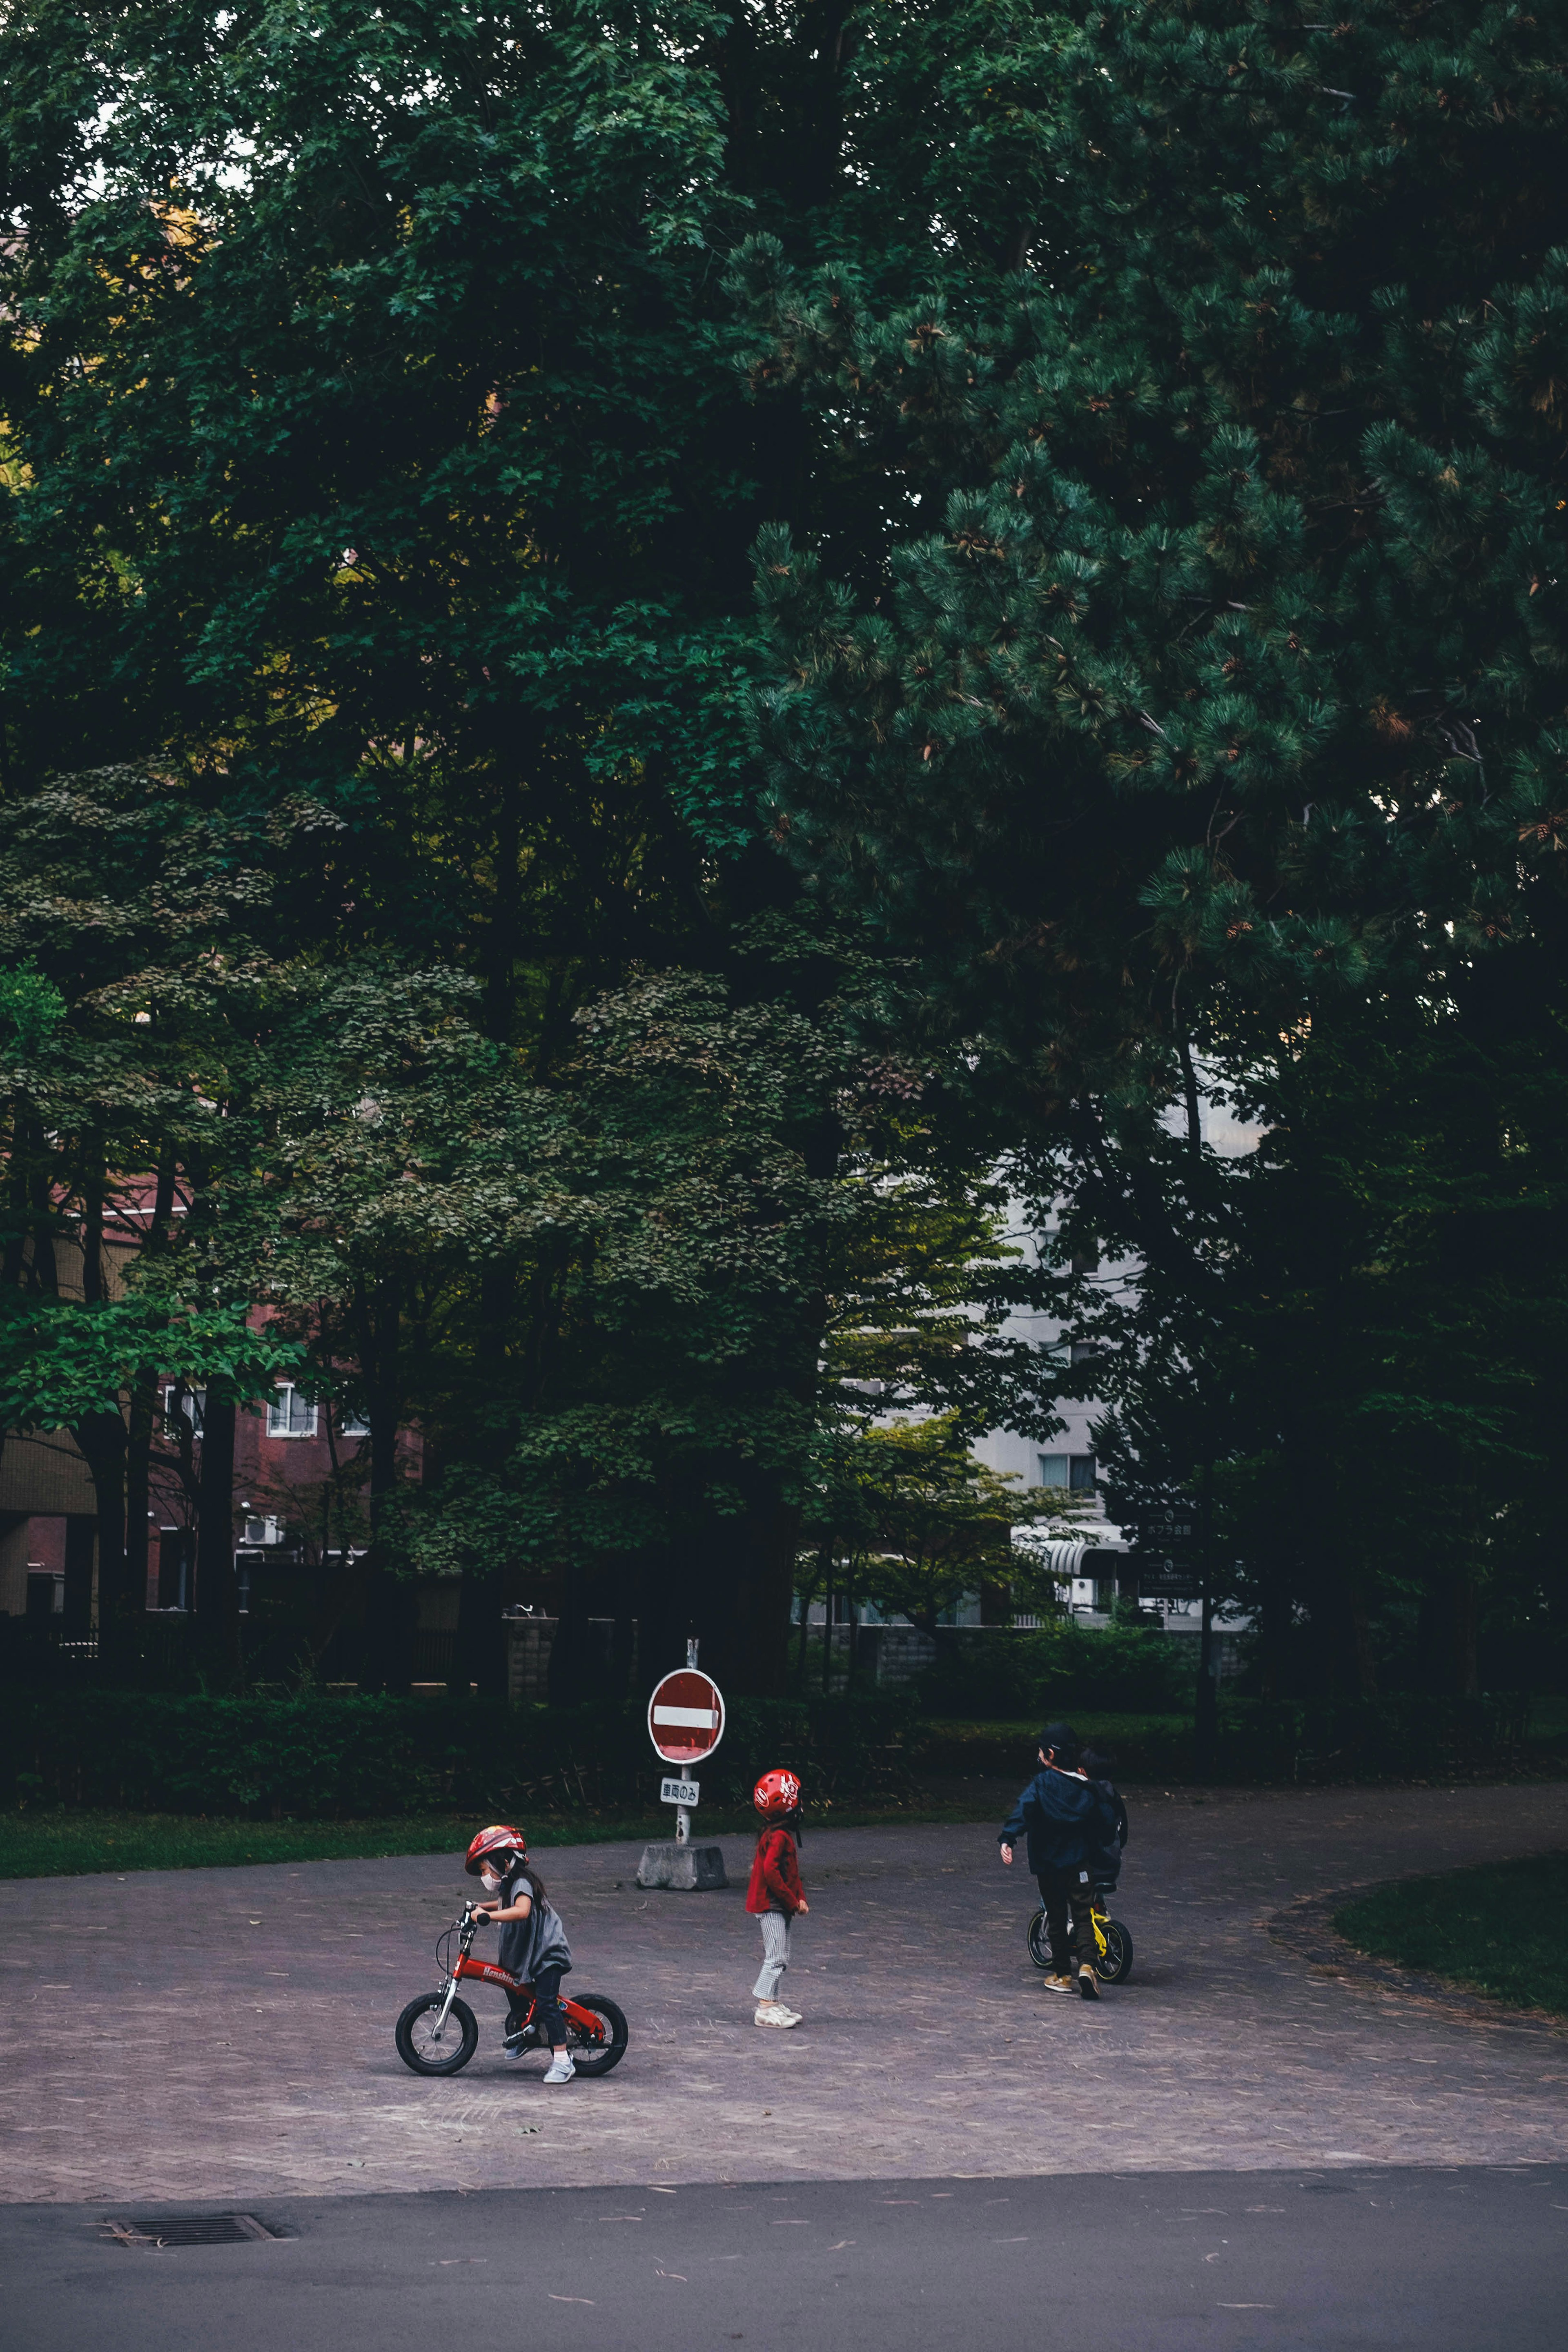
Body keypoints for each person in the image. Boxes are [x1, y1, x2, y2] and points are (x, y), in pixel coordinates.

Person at [998, 1723, 1116, 2000]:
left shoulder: (1041, 1784)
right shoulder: (1088, 1787)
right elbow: (1106, 1822)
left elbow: (1024, 1810)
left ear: (1049, 1754)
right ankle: (1088, 1965)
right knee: (1083, 1914)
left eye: (1041, 1751)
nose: (1039, 1755)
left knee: (1057, 1916)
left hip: (1049, 1865)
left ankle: (1063, 1974)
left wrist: (1008, 1838)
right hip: (1080, 1864)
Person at [465, 1824, 577, 2082]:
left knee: (547, 2002)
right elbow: (506, 1903)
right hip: (528, 1956)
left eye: (484, 1870)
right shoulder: (510, 1885)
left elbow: (522, 1910)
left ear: (503, 1862)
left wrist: (488, 1916)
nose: (484, 1876)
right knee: (513, 1986)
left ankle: (562, 2061)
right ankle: (527, 2032)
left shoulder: (523, 1882)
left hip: (547, 1955)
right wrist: (479, 1906)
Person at [747, 1768, 809, 2029]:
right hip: (771, 1906)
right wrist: (792, 1901)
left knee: (782, 1955)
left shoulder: (779, 1835)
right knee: (776, 1957)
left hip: (779, 1905)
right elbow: (771, 1873)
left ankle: (773, 2001)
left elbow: (791, 1874)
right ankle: (764, 2007)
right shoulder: (779, 1838)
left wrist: (800, 1897)